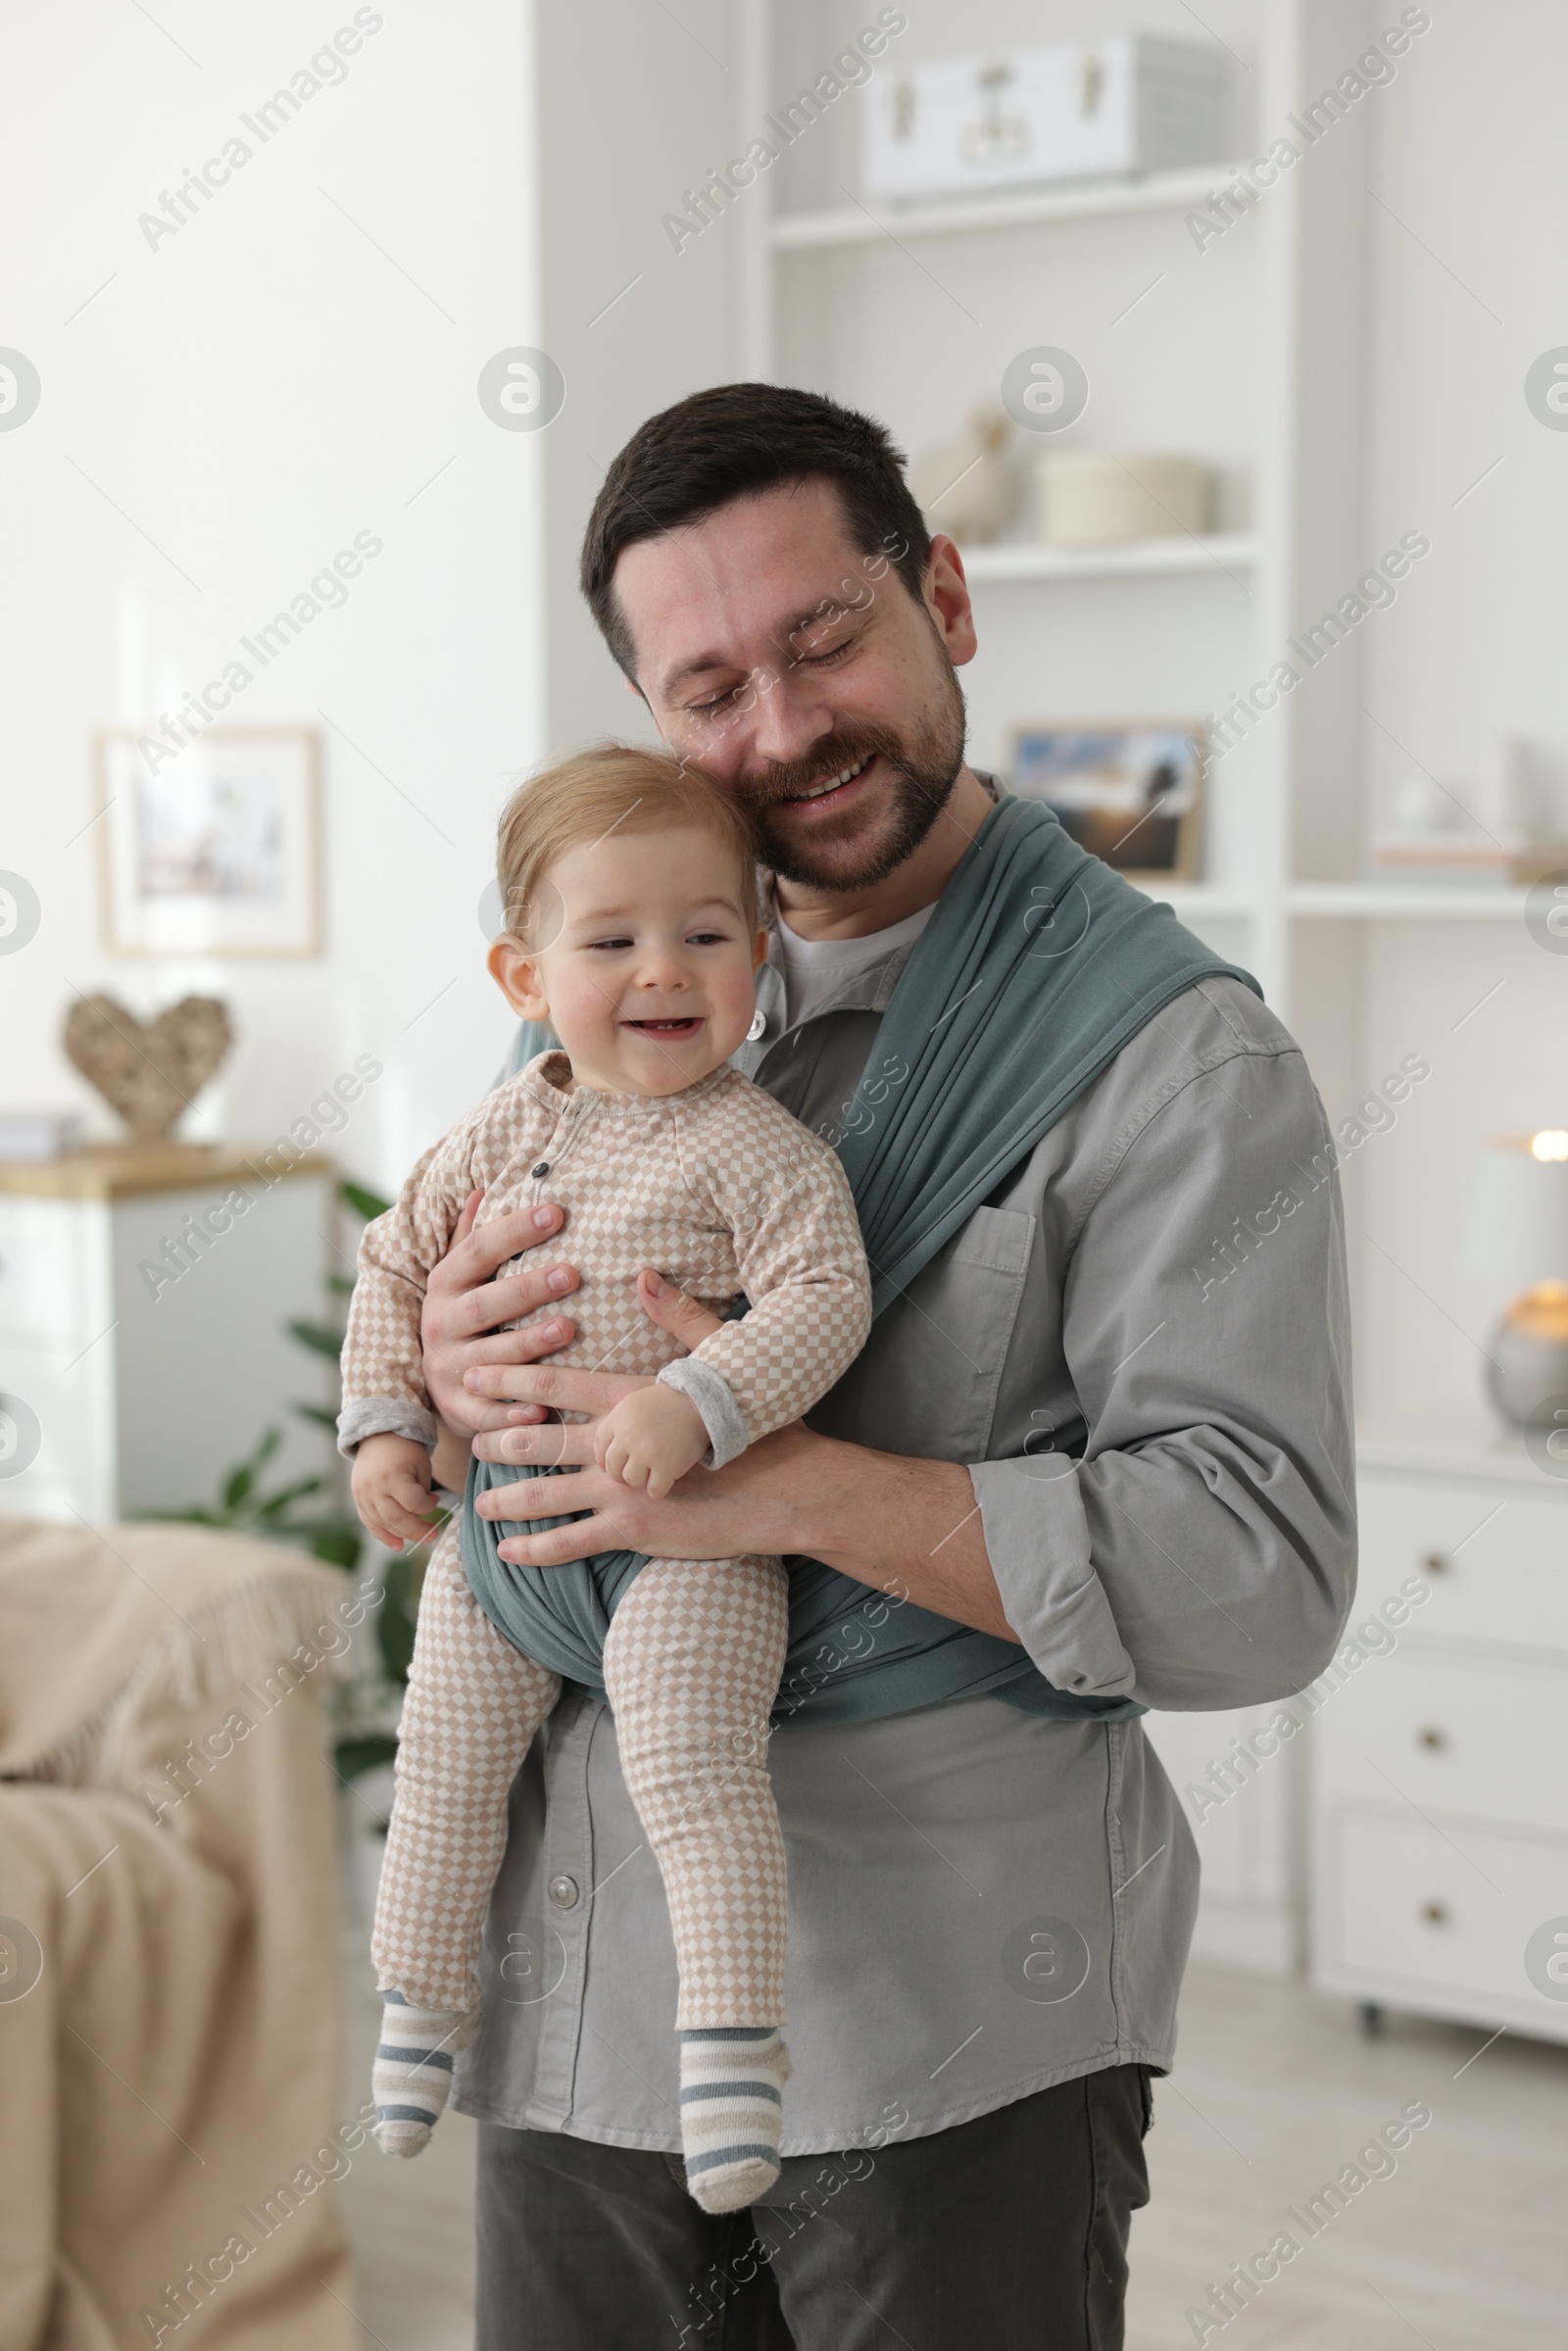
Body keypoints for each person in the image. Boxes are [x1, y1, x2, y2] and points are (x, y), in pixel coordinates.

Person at [418, 384, 1356, 2349]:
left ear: (939, 592)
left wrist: (773, 1477)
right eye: (705, 688)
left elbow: (1253, 1582)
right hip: (578, 1981)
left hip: (940, 2030)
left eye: (821, 640)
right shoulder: (614, 982)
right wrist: (440, 1364)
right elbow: (502, 1397)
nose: (776, 733)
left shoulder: (1174, 1061)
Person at [340, 747, 871, 2210]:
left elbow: (825, 1296)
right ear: (524, 977)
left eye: (707, 933)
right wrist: (389, 1424)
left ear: (760, 960)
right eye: (613, 939)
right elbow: (394, 1263)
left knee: (693, 1771)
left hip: (690, 1544)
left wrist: (705, 1400)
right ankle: (420, 2009)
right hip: (509, 1532)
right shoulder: (505, 1128)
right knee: (444, 1765)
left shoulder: (757, 1148)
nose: (664, 970)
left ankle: (730, 2053)